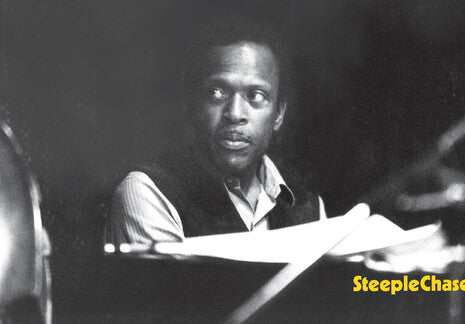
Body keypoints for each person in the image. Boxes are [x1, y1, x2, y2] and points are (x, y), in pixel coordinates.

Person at [104, 19, 326, 244]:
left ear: (278, 114)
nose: (235, 114)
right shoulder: (149, 191)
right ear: (192, 104)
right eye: (217, 93)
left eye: (256, 95)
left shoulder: (307, 203)